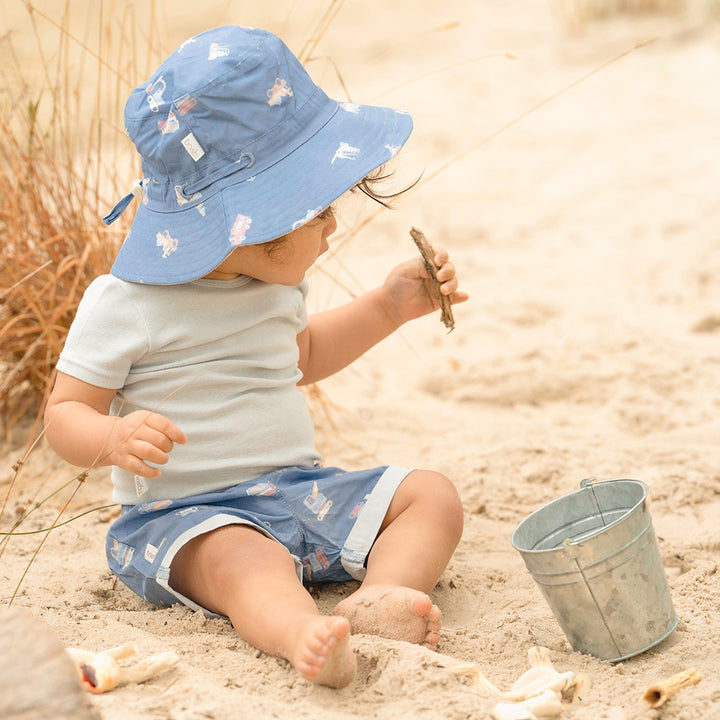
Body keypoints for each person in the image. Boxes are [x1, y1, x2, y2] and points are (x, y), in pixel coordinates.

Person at [44, 25, 468, 689]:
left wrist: (386, 308)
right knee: (248, 564)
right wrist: (113, 437)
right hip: (184, 518)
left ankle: (376, 599)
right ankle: (302, 634)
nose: (333, 224)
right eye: (318, 208)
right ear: (251, 218)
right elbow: (64, 413)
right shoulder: (124, 301)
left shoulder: (273, 282)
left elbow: (300, 356)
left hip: (294, 493)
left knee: (431, 496)